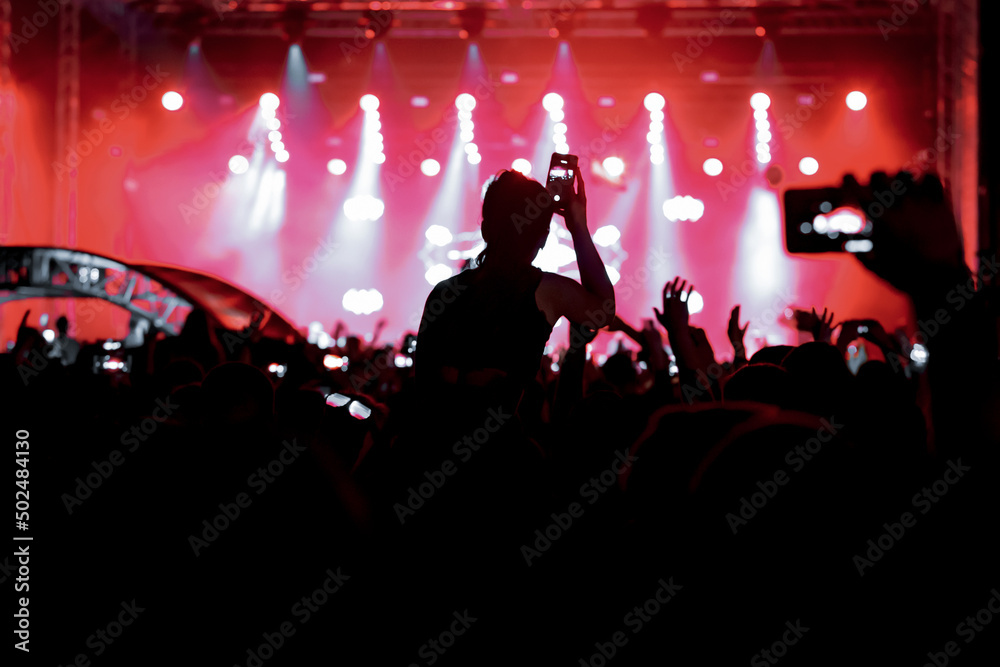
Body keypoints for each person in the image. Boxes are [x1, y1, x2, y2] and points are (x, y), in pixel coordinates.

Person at [414, 167, 615, 415]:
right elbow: (603, 312)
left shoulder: (444, 292)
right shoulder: (547, 291)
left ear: (486, 229)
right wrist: (578, 226)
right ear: (543, 238)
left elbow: (421, 379)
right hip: (504, 446)